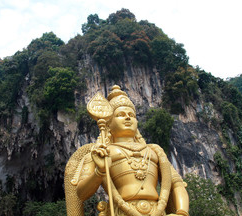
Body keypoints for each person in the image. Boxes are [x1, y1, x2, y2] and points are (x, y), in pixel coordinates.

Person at [65, 85, 189, 216]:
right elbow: (81, 194)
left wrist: (181, 212)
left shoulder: (154, 151)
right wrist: (99, 171)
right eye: (120, 115)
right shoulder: (100, 152)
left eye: (131, 115)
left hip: (158, 211)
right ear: (108, 123)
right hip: (121, 211)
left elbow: (176, 184)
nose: (128, 118)